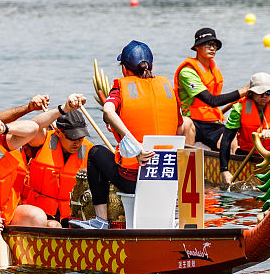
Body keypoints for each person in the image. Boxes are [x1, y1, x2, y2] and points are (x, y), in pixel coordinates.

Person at [72, 40, 186, 229]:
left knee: (95, 153)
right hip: (166, 178)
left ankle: (100, 221)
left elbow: (108, 111)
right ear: (151, 65)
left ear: (124, 68)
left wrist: (136, 146)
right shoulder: (169, 89)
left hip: (133, 179)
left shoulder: (120, 88)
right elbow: (180, 130)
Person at [174, 27, 247, 150]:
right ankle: (186, 164)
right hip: (193, 122)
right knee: (186, 123)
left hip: (212, 123)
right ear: (197, 47)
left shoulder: (213, 69)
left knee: (232, 135)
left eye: (214, 45)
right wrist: (242, 91)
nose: (212, 48)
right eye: (208, 45)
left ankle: (228, 167)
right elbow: (212, 101)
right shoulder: (187, 72)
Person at [21, 108, 93, 225]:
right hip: (39, 212)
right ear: (58, 132)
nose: (77, 143)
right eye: (72, 137)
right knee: (52, 225)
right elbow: (32, 126)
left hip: (72, 214)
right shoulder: (42, 141)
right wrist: (33, 108)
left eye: (80, 138)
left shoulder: (91, 151)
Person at [219, 72, 270, 187]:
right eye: (259, 93)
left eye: (268, 92)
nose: (264, 96)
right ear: (251, 93)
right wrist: (224, 170)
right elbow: (227, 139)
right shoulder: (239, 107)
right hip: (247, 155)